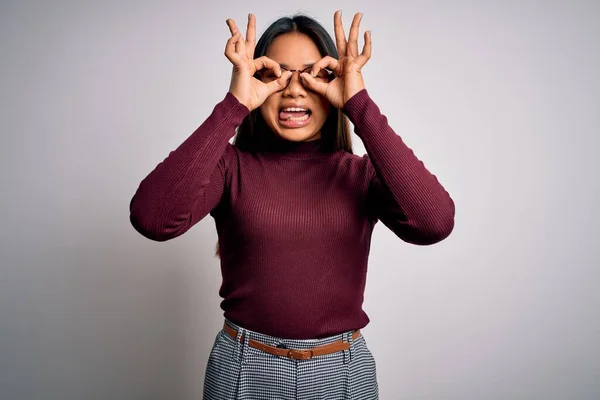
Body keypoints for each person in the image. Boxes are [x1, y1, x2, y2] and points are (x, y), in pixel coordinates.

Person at [129, 10, 455, 400]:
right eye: (277, 74)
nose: (295, 90)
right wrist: (234, 104)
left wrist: (359, 104)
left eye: (314, 75)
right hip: (243, 369)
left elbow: (434, 223)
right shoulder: (231, 168)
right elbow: (152, 218)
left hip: (341, 373)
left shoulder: (360, 174)